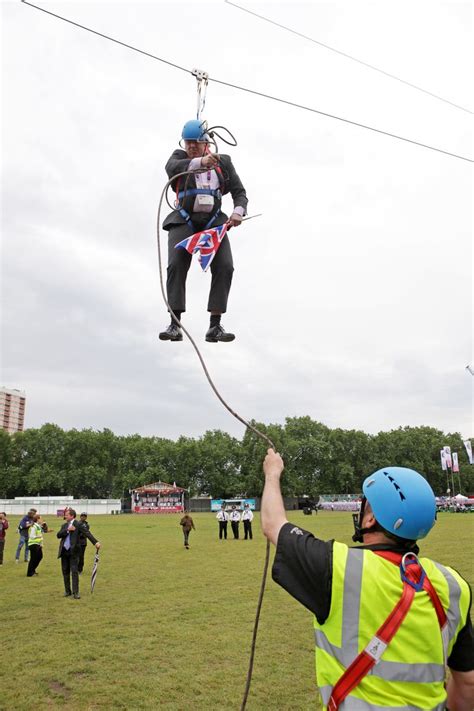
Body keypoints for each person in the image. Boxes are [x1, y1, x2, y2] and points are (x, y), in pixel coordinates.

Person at [261, 449, 474, 711]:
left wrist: (272, 473)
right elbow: (468, 682)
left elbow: (273, 524)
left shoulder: (337, 566)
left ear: (371, 517)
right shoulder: (453, 584)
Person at [159, 119, 248, 343]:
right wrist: (200, 160)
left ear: (205, 142)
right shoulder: (179, 158)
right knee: (176, 264)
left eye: (196, 143)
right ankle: (174, 323)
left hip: (213, 224)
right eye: (188, 143)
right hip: (184, 220)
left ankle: (215, 325)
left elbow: (239, 192)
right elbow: (172, 169)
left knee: (225, 266)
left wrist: (238, 211)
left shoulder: (223, 162)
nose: (191, 147)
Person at [57, 508, 101, 599]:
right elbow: (58, 535)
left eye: (67, 515)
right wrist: (68, 530)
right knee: (65, 572)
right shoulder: (64, 525)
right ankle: (67, 591)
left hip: (74, 552)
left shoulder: (79, 524)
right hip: (64, 551)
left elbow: (87, 533)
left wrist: (95, 542)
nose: (65, 516)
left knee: (74, 572)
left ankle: (75, 592)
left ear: (72, 516)